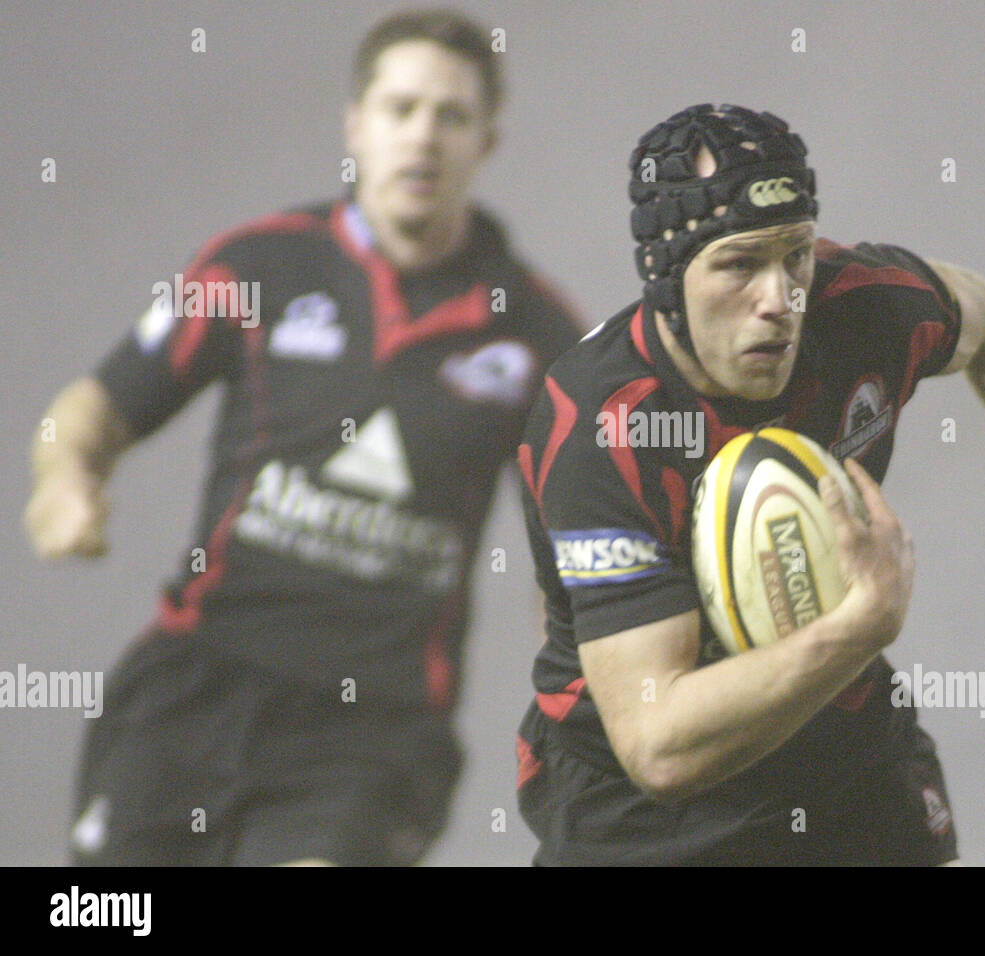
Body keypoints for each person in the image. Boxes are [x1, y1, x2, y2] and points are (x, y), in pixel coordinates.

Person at [513, 104, 985, 865]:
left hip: (839, 747)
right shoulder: (606, 428)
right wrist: (862, 626)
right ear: (669, 280)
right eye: (739, 264)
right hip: (645, 814)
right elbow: (660, 747)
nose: (780, 300)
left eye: (796, 256)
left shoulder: (862, 306)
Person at [24, 9, 584, 866]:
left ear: (488, 142)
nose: (422, 138)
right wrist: (64, 482)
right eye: (400, 109)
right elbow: (92, 408)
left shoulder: (535, 333)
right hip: (189, 690)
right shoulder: (258, 268)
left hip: (372, 733)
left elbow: (575, 541)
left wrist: (601, 675)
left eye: (451, 116)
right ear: (355, 123)